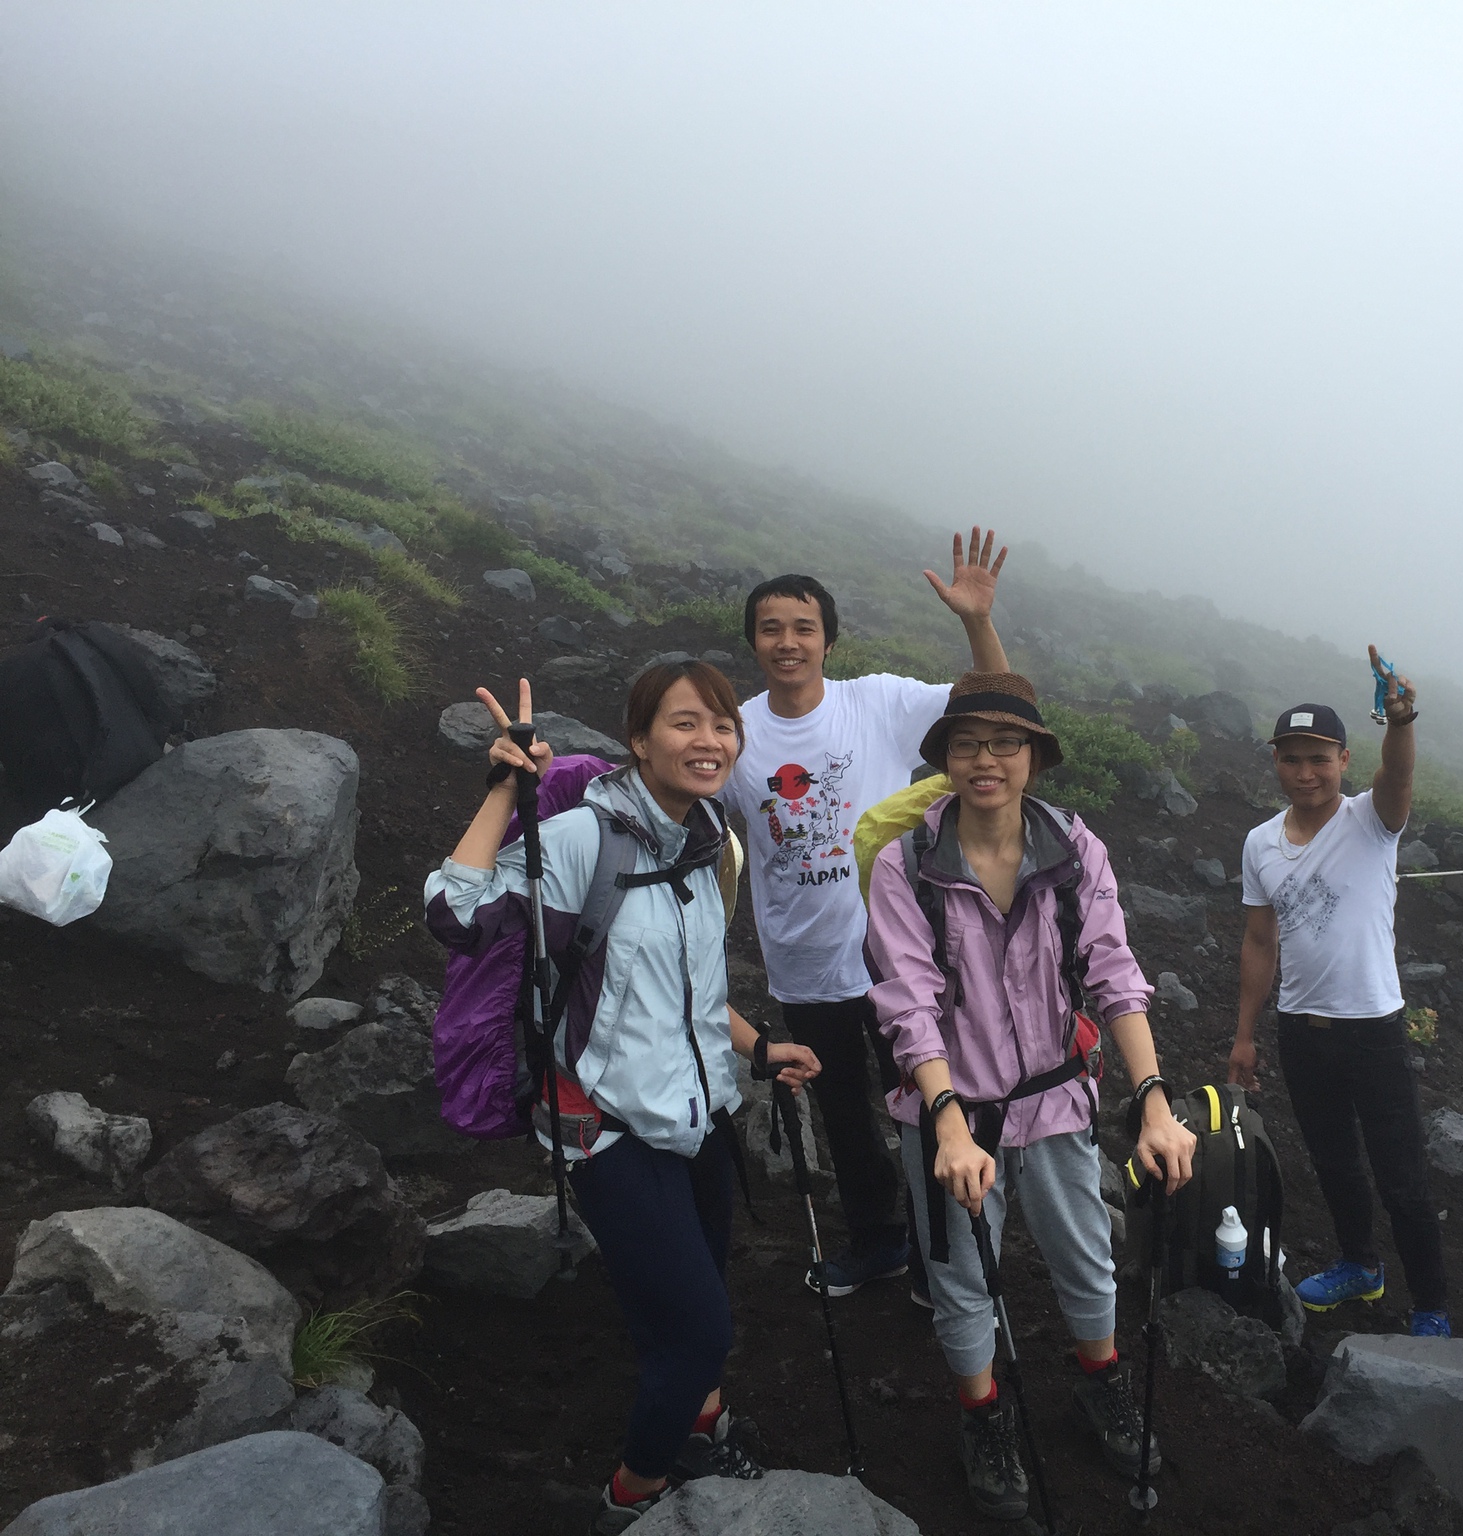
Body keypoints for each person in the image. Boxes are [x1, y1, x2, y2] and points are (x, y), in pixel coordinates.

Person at [425, 665, 821, 1534]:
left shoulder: (710, 834)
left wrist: (760, 1048)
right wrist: (503, 792)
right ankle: (630, 1497)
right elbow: (452, 916)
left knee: (682, 1300)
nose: (708, 740)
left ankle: (700, 1427)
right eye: (685, 723)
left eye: (721, 725)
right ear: (639, 740)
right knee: (702, 1333)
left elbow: (691, 987)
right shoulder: (581, 840)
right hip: (608, 1132)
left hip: (700, 1116)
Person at [866, 671, 1198, 1521]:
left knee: (1086, 1252)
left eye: (1006, 744)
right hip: (952, 1115)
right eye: (967, 744)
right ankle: (983, 1417)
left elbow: (1114, 975)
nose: (987, 761)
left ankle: (1100, 1380)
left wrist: (1153, 1099)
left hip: (1055, 1103)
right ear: (943, 759)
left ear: (1034, 759)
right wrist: (945, 1124)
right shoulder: (909, 866)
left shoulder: (1073, 849)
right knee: (961, 1274)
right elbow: (908, 1003)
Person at [721, 530, 1012, 1300]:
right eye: (771, 628)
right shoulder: (737, 731)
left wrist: (976, 620)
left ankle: (939, 1256)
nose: (788, 642)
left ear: (828, 639)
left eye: (803, 627)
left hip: (897, 959)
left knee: (926, 1107)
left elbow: (997, 706)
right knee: (844, 1116)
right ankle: (878, 1241)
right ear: (753, 641)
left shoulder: (877, 702)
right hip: (802, 964)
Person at [1226, 656, 1451, 1335]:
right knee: (1332, 1159)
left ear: (1344, 759)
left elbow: (1400, 774)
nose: (1306, 772)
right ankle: (1361, 1264)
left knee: (1402, 1174)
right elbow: (1259, 943)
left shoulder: (1370, 821)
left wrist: (1403, 719)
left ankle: (1433, 1301)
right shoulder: (1260, 844)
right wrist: (1244, 1034)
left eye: (1319, 758)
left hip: (1374, 1026)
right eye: (1292, 759)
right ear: (1275, 762)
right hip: (1301, 1027)